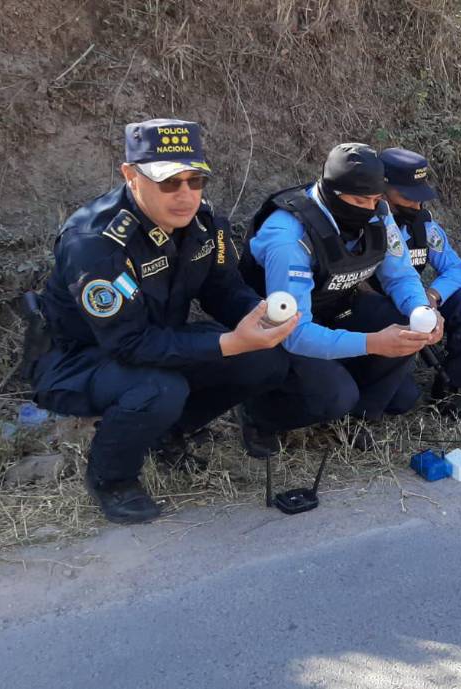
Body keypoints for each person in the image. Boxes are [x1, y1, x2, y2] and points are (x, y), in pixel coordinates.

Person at [28, 119, 296, 524]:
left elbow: (223, 289)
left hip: (158, 337)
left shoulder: (204, 223)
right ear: (130, 175)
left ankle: (165, 432)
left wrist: (260, 317)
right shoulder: (95, 243)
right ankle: (112, 479)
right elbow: (127, 344)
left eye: (195, 180)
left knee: (265, 360)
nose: (185, 195)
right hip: (79, 358)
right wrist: (228, 344)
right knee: (160, 389)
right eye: (169, 182)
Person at [239, 143, 440, 447]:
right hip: (275, 333)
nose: (371, 209)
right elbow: (295, 333)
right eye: (361, 200)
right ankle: (261, 418)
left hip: (335, 310)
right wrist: (373, 343)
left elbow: (400, 275)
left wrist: (423, 312)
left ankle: (355, 420)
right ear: (333, 193)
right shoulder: (289, 237)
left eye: (376, 199)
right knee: (336, 395)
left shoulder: (377, 214)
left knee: (403, 377)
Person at [377, 147, 461, 420]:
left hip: (418, 305)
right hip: (377, 312)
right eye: (407, 197)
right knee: (400, 401)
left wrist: (433, 296)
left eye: (419, 197)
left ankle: (450, 391)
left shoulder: (423, 225)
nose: (416, 205)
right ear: (382, 189)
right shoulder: (367, 224)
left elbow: (457, 268)